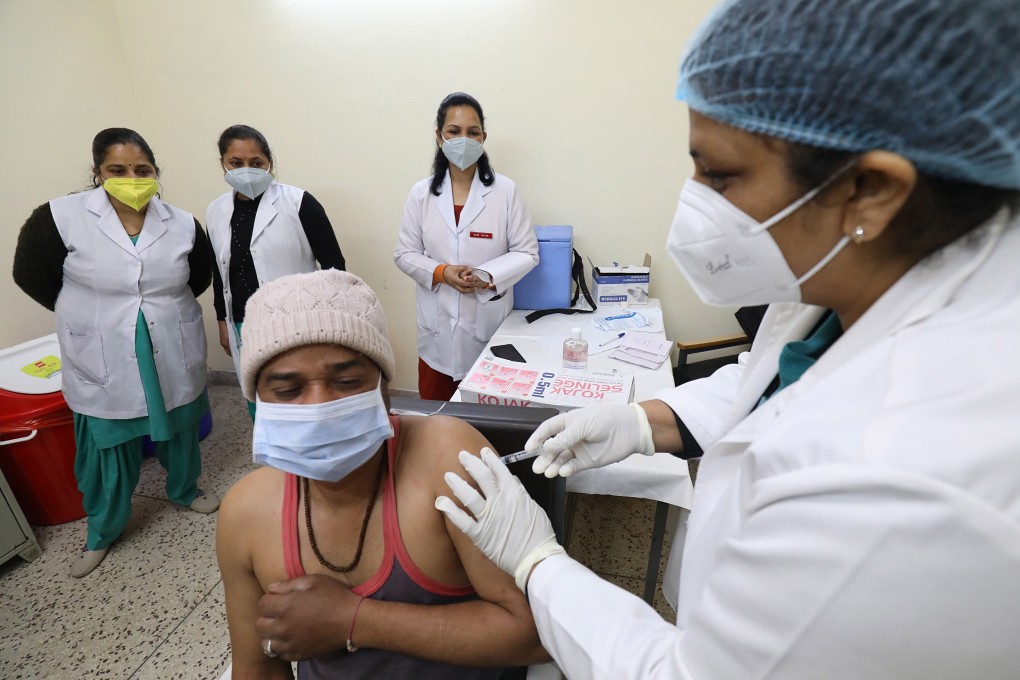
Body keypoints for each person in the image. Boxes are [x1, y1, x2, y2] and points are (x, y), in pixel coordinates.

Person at [435, 0, 1020, 677]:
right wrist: (642, 419)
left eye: (719, 174)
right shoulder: (857, 281)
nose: (695, 202)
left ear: (871, 190)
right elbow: (772, 376)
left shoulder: (896, 480)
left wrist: (540, 565)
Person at [215, 270, 547, 678]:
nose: (319, 408)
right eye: (288, 391)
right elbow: (258, 668)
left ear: (384, 386)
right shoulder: (246, 515)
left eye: (348, 381)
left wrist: (354, 620)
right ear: (259, 402)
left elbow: (536, 633)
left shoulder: (448, 461)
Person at [12, 127, 218, 578]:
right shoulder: (59, 217)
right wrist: (87, 313)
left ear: (156, 173)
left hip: (168, 337)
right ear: (97, 173)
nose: (132, 177)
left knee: (181, 424)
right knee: (108, 441)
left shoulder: (181, 222)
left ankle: (185, 490)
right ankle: (102, 531)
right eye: (118, 170)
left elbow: (197, 277)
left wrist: (154, 308)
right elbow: (30, 274)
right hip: (101, 345)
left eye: (142, 170)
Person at [394, 92, 539, 401]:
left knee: (488, 422)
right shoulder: (421, 194)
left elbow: (527, 252)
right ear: (439, 136)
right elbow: (404, 253)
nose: (464, 139)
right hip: (436, 336)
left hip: (488, 329)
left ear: (483, 137)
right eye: (454, 131)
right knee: (437, 421)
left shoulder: (505, 191)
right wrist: (443, 272)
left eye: (473, 132)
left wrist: (487, 275)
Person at [207, 124, 345, 418]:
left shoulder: (300, 203)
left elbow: (335, 266)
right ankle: (273, 455)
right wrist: (223, 319)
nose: (247, 169)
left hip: (296, 321)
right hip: (243, 324)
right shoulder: (215, 211)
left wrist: (331, 321)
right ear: (223, 165)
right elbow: (220, 273)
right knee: (258, 396)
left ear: (269, 162)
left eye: (256, 162)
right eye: (236, 163)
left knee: (297, 396)